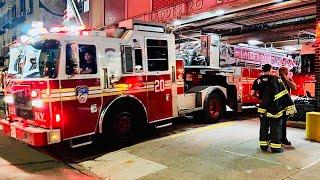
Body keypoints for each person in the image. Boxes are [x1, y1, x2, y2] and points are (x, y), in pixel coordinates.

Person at [252, 64, 296, 153]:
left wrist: (261, 100)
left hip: (263, 107)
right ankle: (276, 145)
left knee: (264, 126)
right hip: (277, 107)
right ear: (271, 69)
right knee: (276, 126)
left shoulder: (258, 80)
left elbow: (252, 93)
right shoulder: (275, 79)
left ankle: (264, 145)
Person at [279, 67, 297, 146]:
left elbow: (294, 87)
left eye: (286, 72)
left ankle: (283, 138)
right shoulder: (276, 80)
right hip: (278, 105)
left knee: (283, 122)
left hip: (286, 104)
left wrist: (286, 79)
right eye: (285, 72)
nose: (286, 73)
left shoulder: (288, 79)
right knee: (277, 122)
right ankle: (277, 138)